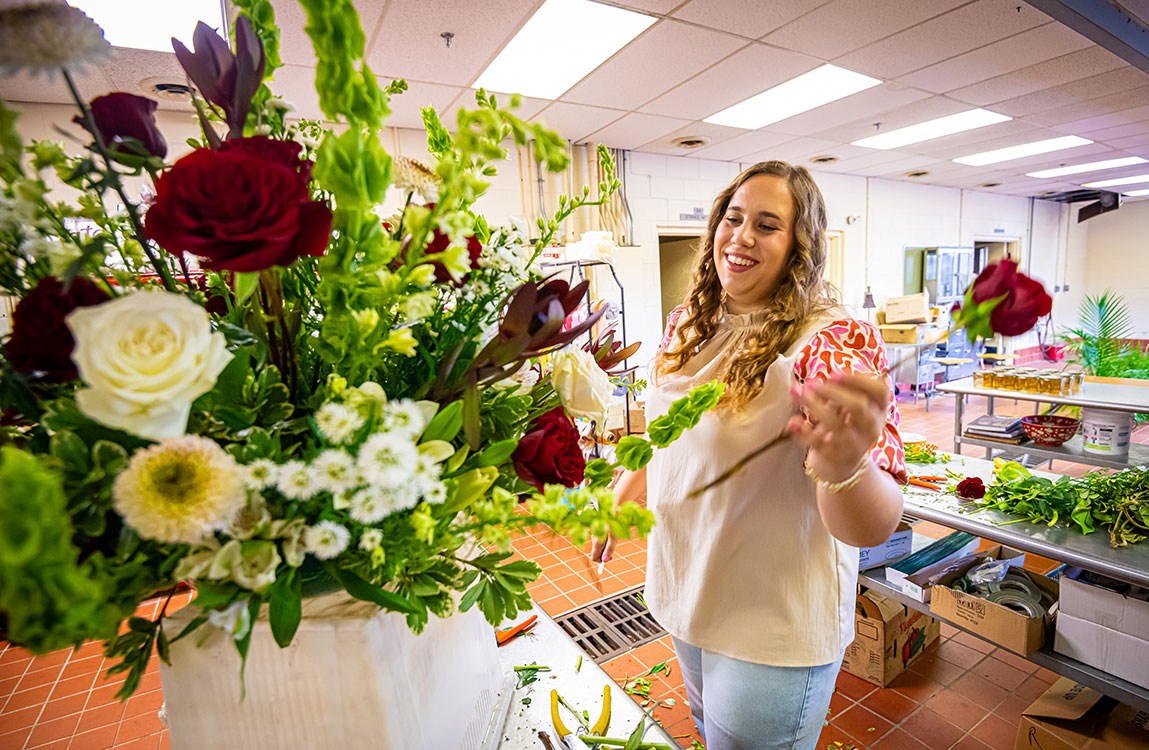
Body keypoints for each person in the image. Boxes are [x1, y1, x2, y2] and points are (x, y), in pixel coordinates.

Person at [591, 161, 907, 750]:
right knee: (710, 732)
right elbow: (668, 436)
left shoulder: (828, 339)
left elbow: (874, 523)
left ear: (798, 246)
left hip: (771, 618)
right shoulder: (690, 322)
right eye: (733, 218)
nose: (740, 237)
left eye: (766, 225)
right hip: (688, 581)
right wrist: (620, 493)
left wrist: (845, 464)